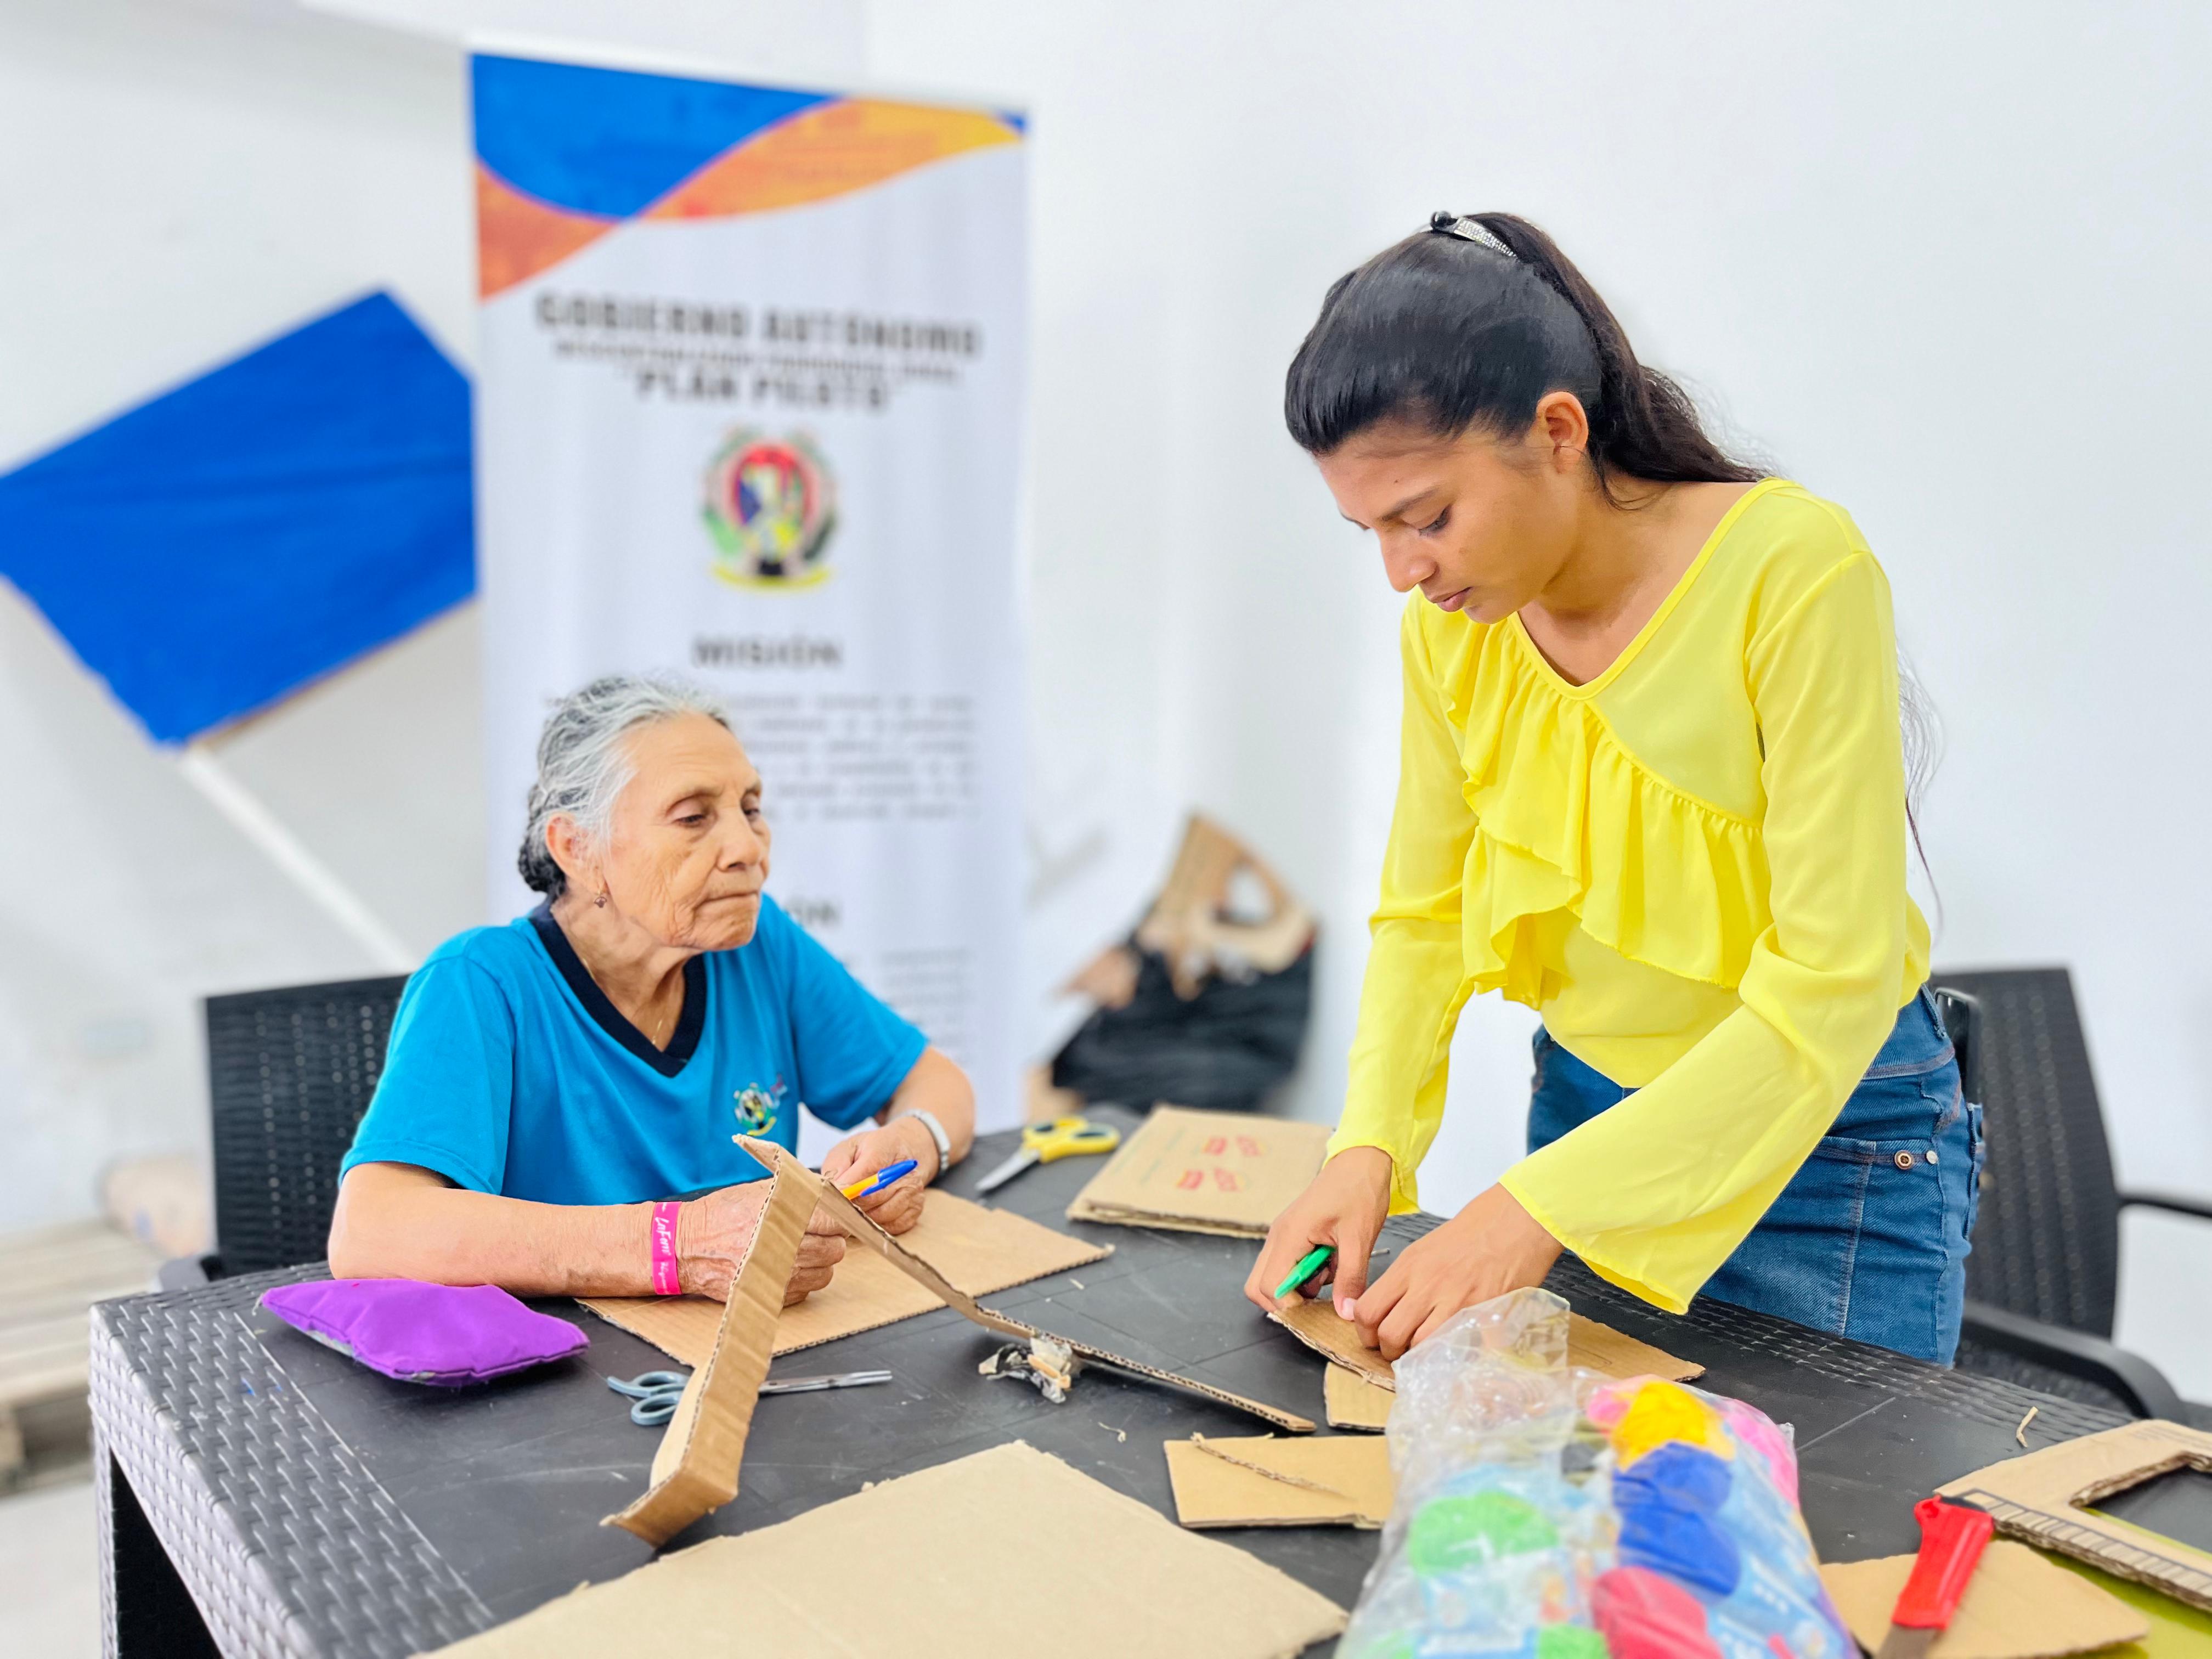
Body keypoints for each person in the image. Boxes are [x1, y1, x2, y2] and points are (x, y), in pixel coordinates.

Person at [1245, 213, 1977, 1365]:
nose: (1402, 570)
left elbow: (1832, 980)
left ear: (1557, 430)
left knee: (1825, 1488)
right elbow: (1426, 914)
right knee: (1572, 1479)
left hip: (1826, 1152)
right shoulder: (1454, 629)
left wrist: (1532, 1208)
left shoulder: (1792, 571)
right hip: (1585, 1118)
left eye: (1426, 517)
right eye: (1370, 532)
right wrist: (1367, 1148)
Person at [329, 674, 975, 1304]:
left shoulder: (758, 944)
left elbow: (935, 1082)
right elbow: (371, 1232)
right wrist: (679, 1246)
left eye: (751, 809)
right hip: (574, 1364)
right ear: (578, 849)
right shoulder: (482, 982)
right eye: (694, 817)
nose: (747, 848)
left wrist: (912, 1144)